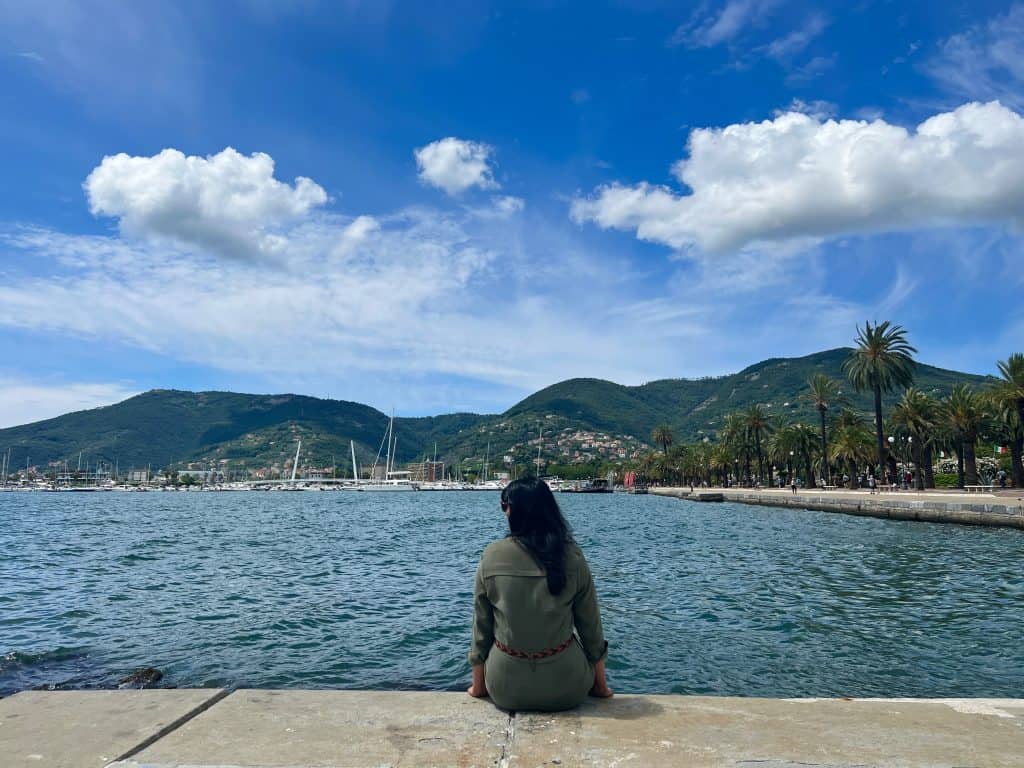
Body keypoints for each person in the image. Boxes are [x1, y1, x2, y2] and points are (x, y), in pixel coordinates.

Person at [467, 477, 612, 711]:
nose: (503, 511)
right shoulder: (572, 556)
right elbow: (590, 627)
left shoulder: (492, 555)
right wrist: (601, 688)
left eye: (504, 505)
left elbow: (481, 628)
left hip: (505, 688)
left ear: (512, 510)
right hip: (568, 687)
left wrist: (479, 687)